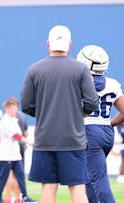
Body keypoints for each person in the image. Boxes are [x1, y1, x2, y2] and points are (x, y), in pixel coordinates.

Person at [20, 25, 99, 203]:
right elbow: (92, 102)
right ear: (69, 44)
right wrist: (78, 114)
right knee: (77, 187)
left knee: (48, 186)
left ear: (48, 43)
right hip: (73, 139)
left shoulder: (34, 69)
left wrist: (44, 114)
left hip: (45, 139)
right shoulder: (81, 69)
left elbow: (26, 105)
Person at [77, 45, 124, 202]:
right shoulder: (113, 84)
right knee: (87, 178)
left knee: (98, 181)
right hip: (105, 131)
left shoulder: (78, 82)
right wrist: (109, 124)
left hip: (89, 132)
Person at [0, 97, 36, 203]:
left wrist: (25, 141)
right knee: (3, 177)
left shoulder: (14, 120)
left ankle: (25, 197)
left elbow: (21, 134)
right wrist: (29, 142)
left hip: (15, 154)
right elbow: (16, 135)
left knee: (21, 176)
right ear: (8, 109)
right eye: (14, 108)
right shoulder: (5, 121)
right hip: (6, 155)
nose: (16, 111)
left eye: (16, 108)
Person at [4, 110, 28, 203]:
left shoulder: (7, 118)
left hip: (11, 149)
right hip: (21, 147)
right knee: (18, 174)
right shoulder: (23, 117)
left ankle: (8, 198)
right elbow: (25, 133)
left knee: (9, 173)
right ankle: (18, 197)